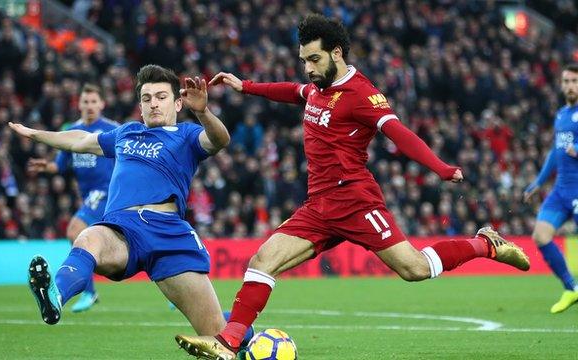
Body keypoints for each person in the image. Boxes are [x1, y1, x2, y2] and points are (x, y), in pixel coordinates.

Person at [175, 14, 530, 360]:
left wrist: (440, 168)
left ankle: (486, 244)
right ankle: (228, 342)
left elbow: (398, 133)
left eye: (314, 59)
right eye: (304, 60)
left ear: (337, 53)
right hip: (318, 206)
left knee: (415, 269)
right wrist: (246, 86)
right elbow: (292, 91)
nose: (308, 68)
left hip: (357, 202)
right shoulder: (317, 87)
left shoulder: (362, 94)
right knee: (263, 260)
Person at [10, 64, 232, 337]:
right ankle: (55, 298)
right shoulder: (126, 133)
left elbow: (220, 139)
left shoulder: (186, 135)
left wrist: (203, 112)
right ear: (140, 106)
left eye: (161, 97)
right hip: (121, 229)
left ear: (177, 103)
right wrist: (35, 134)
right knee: (87, 238)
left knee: (217, 335)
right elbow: (79, 141)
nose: (154, 104)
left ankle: (248, 335)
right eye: (147, 99)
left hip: (167, 233)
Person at [27, 83, 117, 312]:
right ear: (79, 104)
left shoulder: (111, 129)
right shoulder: (72, 129)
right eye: (85, 101)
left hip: (108, 191)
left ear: (102, 104)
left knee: (74, 231)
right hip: (89, 197)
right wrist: (45, 166)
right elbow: (60, 165)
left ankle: (88, 292)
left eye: (93, 101)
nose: (89, 106)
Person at [524, 63, 578, 314]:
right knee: (541, 236)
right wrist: (538, 182)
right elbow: (556, 154)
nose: (570, 86)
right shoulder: (561, 115)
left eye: (574, 81)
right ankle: (571, 287)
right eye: (566, 81)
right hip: (560, 191)